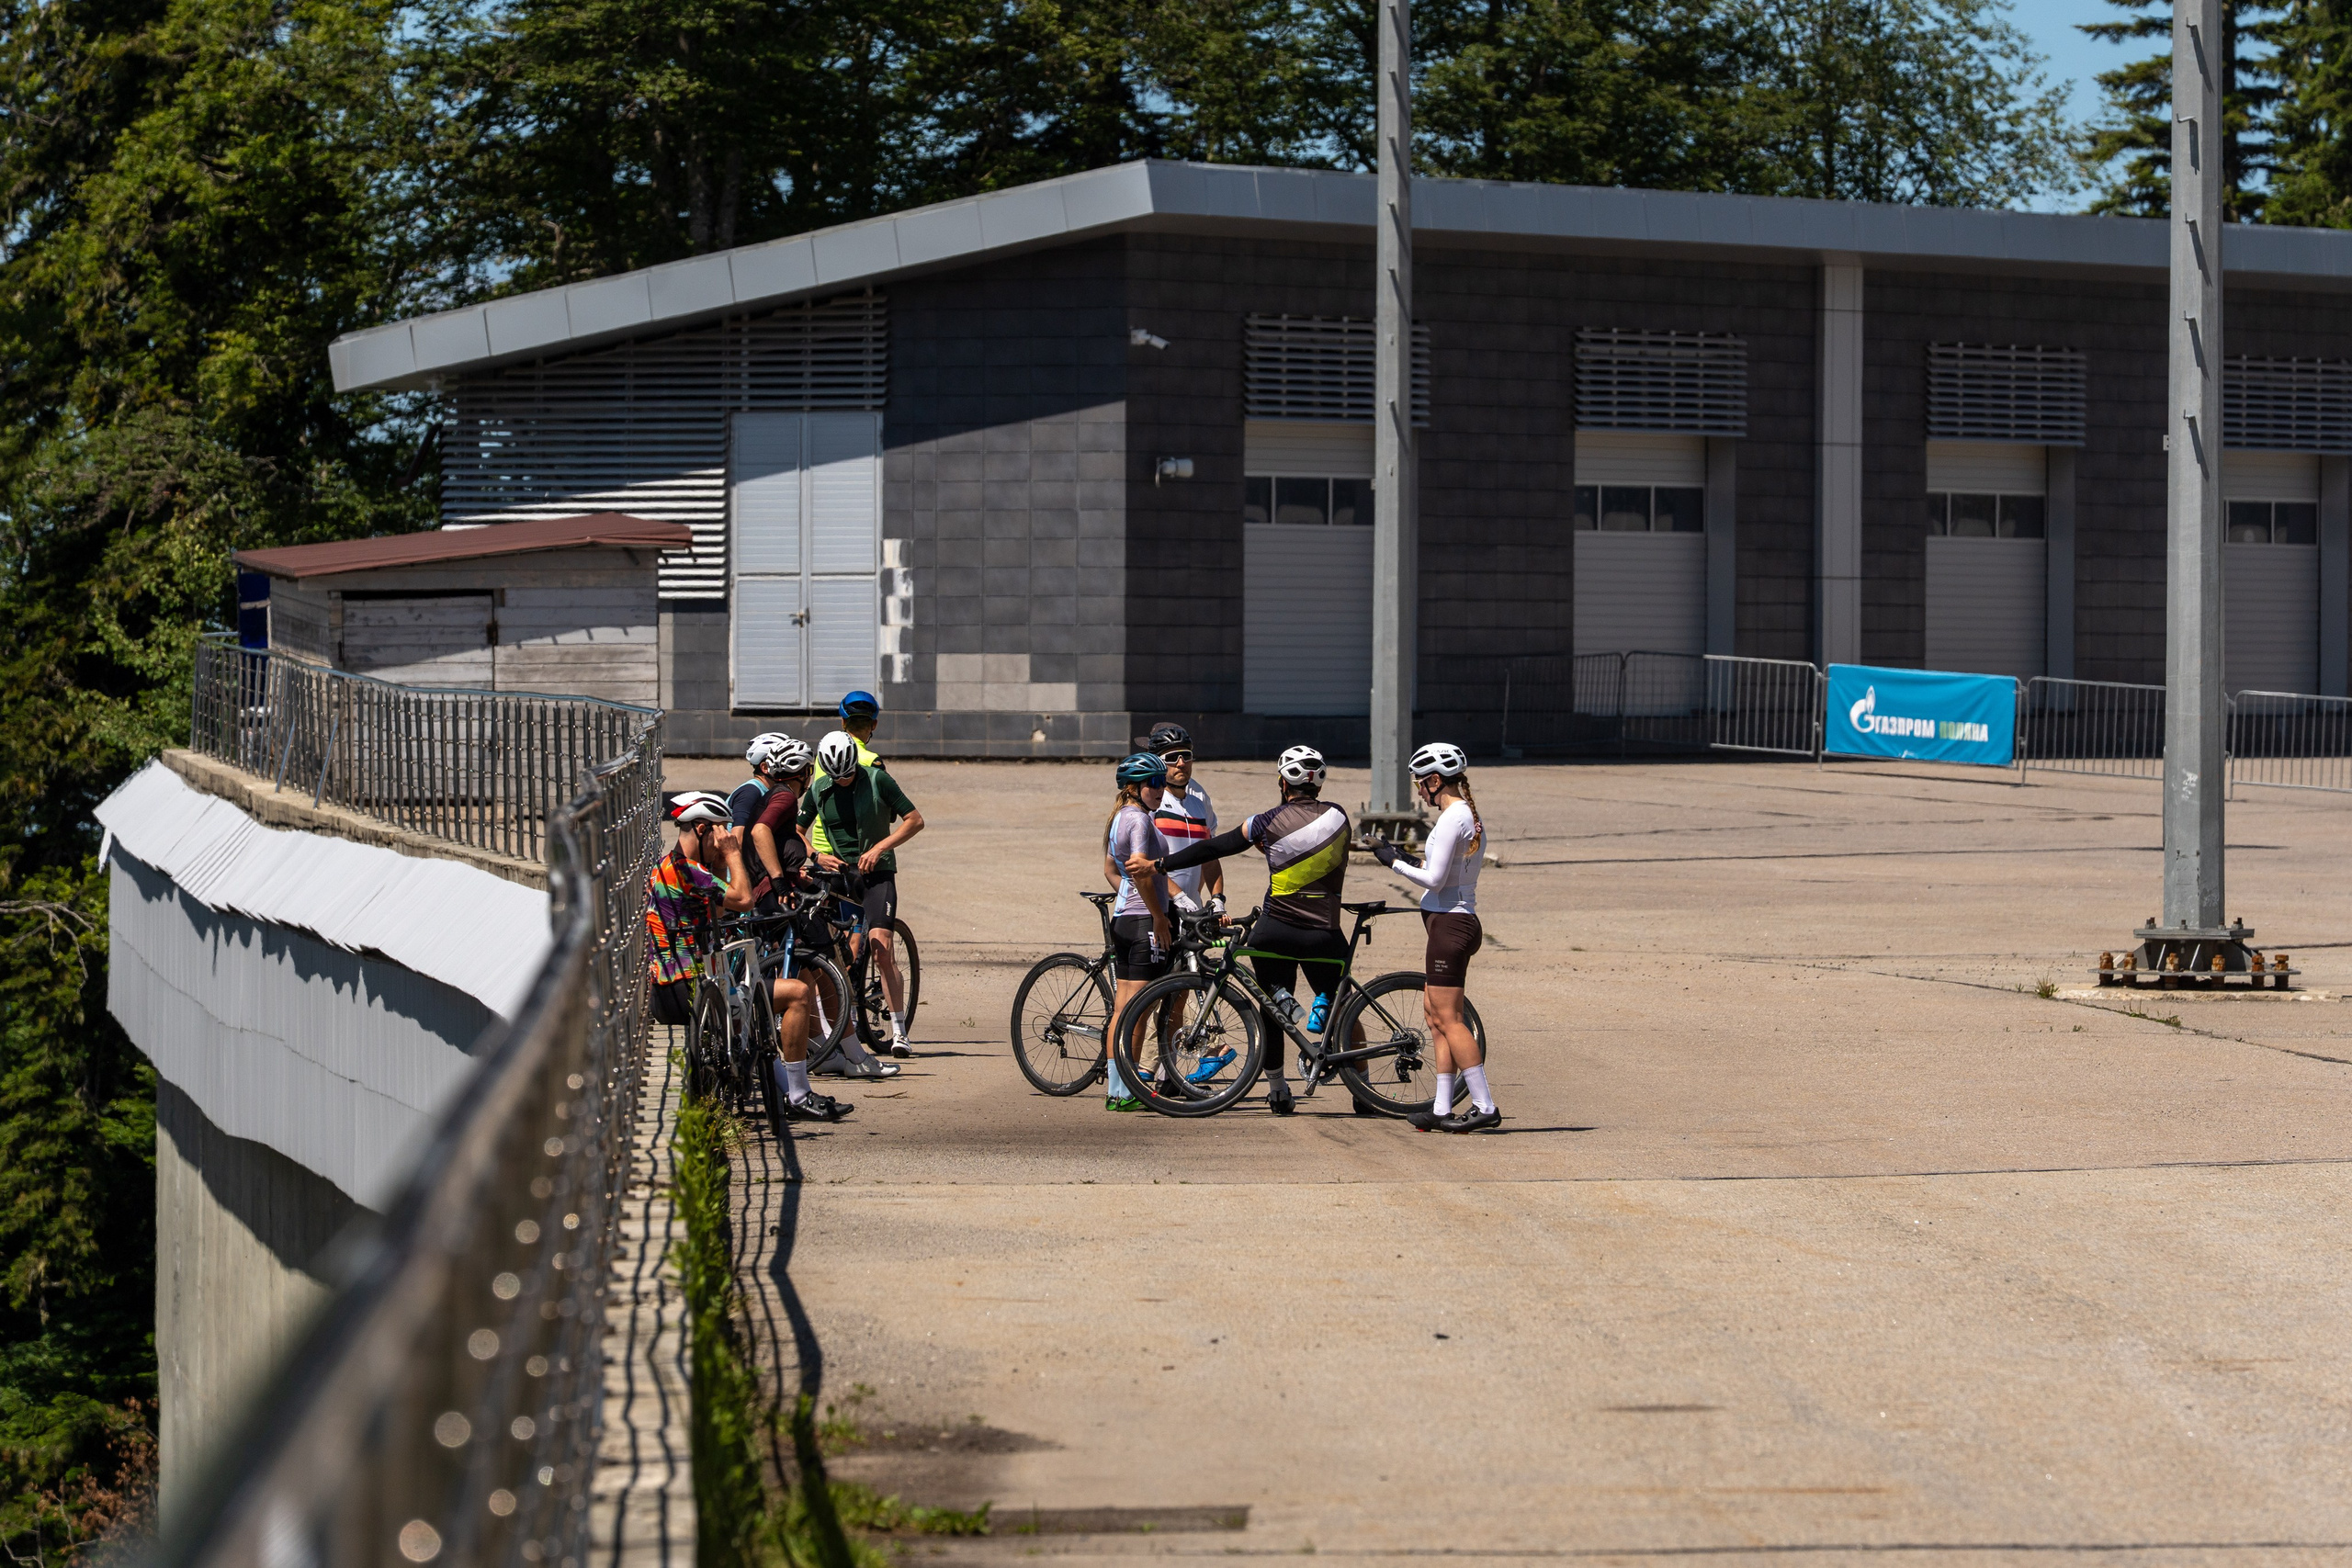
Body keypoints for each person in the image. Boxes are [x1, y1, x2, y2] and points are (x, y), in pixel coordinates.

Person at [1133, 745, 1348, 1116]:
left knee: (1269, 1004)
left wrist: (1161, 864)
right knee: (1340, 999)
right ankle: (1350, 1065)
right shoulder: (1340, 817)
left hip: (1277, 928)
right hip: (1326, 931)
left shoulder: (1264, 821)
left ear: (1283, 783)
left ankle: (1279, 1089)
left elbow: (1216, 846)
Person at [645, 791, 847, 1123]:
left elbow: (721, 908)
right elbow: (743, 898)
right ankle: (797, 1094)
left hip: (670, 989)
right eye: (719, 830)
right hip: (692, 991)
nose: (724, 838)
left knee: (753, 1010)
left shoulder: (668, 867)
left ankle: (792, 1092)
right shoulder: (689, 871)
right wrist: (734, 854)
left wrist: (721, 862)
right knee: (796, 993)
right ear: (701, 828)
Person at [1374, 743, 1499, 1133]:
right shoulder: (1459, 815)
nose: (1417, 791)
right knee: (1435, 1017)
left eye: (1418, 783)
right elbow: (1435, 866)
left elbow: (1434, 880)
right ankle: (1442, 1107)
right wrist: (1403, 855)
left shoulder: (1453, 818)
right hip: (1447, 923)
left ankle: (1484, 1105)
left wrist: (1391, 861)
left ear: (1434, 780)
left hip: (1451, 925)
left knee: (1450, 1019)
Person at [799, 729, 924, 1055]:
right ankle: (840, 1024)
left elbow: (915, 820)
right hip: (839, 874)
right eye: (836, 776)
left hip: (877, 873)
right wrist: (814, 854)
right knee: (830, 951)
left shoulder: (877, 780)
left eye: (848, 775)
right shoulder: (819, 789)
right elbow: (795, 831)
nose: (843, 781)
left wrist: (880, 847)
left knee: (881, 948)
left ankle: (899, 1033)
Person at [1102, 753, 1175, 1110]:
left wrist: (1126, 898)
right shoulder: (1141, 821)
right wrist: (1158, 916)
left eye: (1163, 783)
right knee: (1138, 1011)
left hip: (1123, 921)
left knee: (1122, 1008)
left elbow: (1110, 869)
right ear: (1134, 787)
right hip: (1144, 922)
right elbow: (1141, 872)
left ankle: (1116, 1091)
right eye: (1155, 784)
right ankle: (1128, 1090)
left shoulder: (1117, 819)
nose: (1161, 790)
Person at [1124, 723, 1222, 916]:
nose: (1181, 763)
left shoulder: (1199, 801)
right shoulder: (1149, 802)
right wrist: (1177, 895)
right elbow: (1140, 863)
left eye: (1186, 756)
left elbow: (1209, 856)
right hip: (1156, 908)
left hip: (1192, 908)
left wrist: (1217, 898)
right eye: (1171, 758)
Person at [808, 691, 886, 864]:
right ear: (874, 724)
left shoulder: (824, 755)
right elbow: (886, 811)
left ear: (843, 722)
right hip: (857, 852)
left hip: (822, 849)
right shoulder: (872, 761)